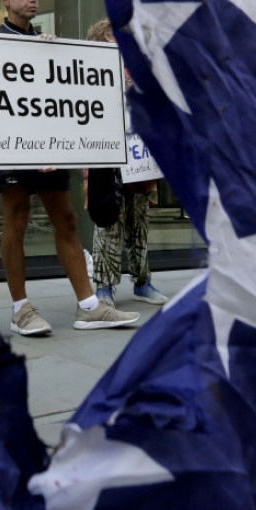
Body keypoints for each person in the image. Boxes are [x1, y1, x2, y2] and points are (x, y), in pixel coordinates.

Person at [0, 0, 140, 336]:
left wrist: (53, 54)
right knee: (17, 218)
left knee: (68, 220)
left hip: (50, 148)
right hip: (14, 149)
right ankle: (20, 309)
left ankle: (89, 305)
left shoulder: (45, 43)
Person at [86, 19, 168, 306]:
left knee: (139, 222)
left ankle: (142, 281)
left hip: (139, 157)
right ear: (101, 39)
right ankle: (104, 286)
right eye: (112, 36)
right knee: (108, 223)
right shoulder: (90, 70)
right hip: (108, 160)